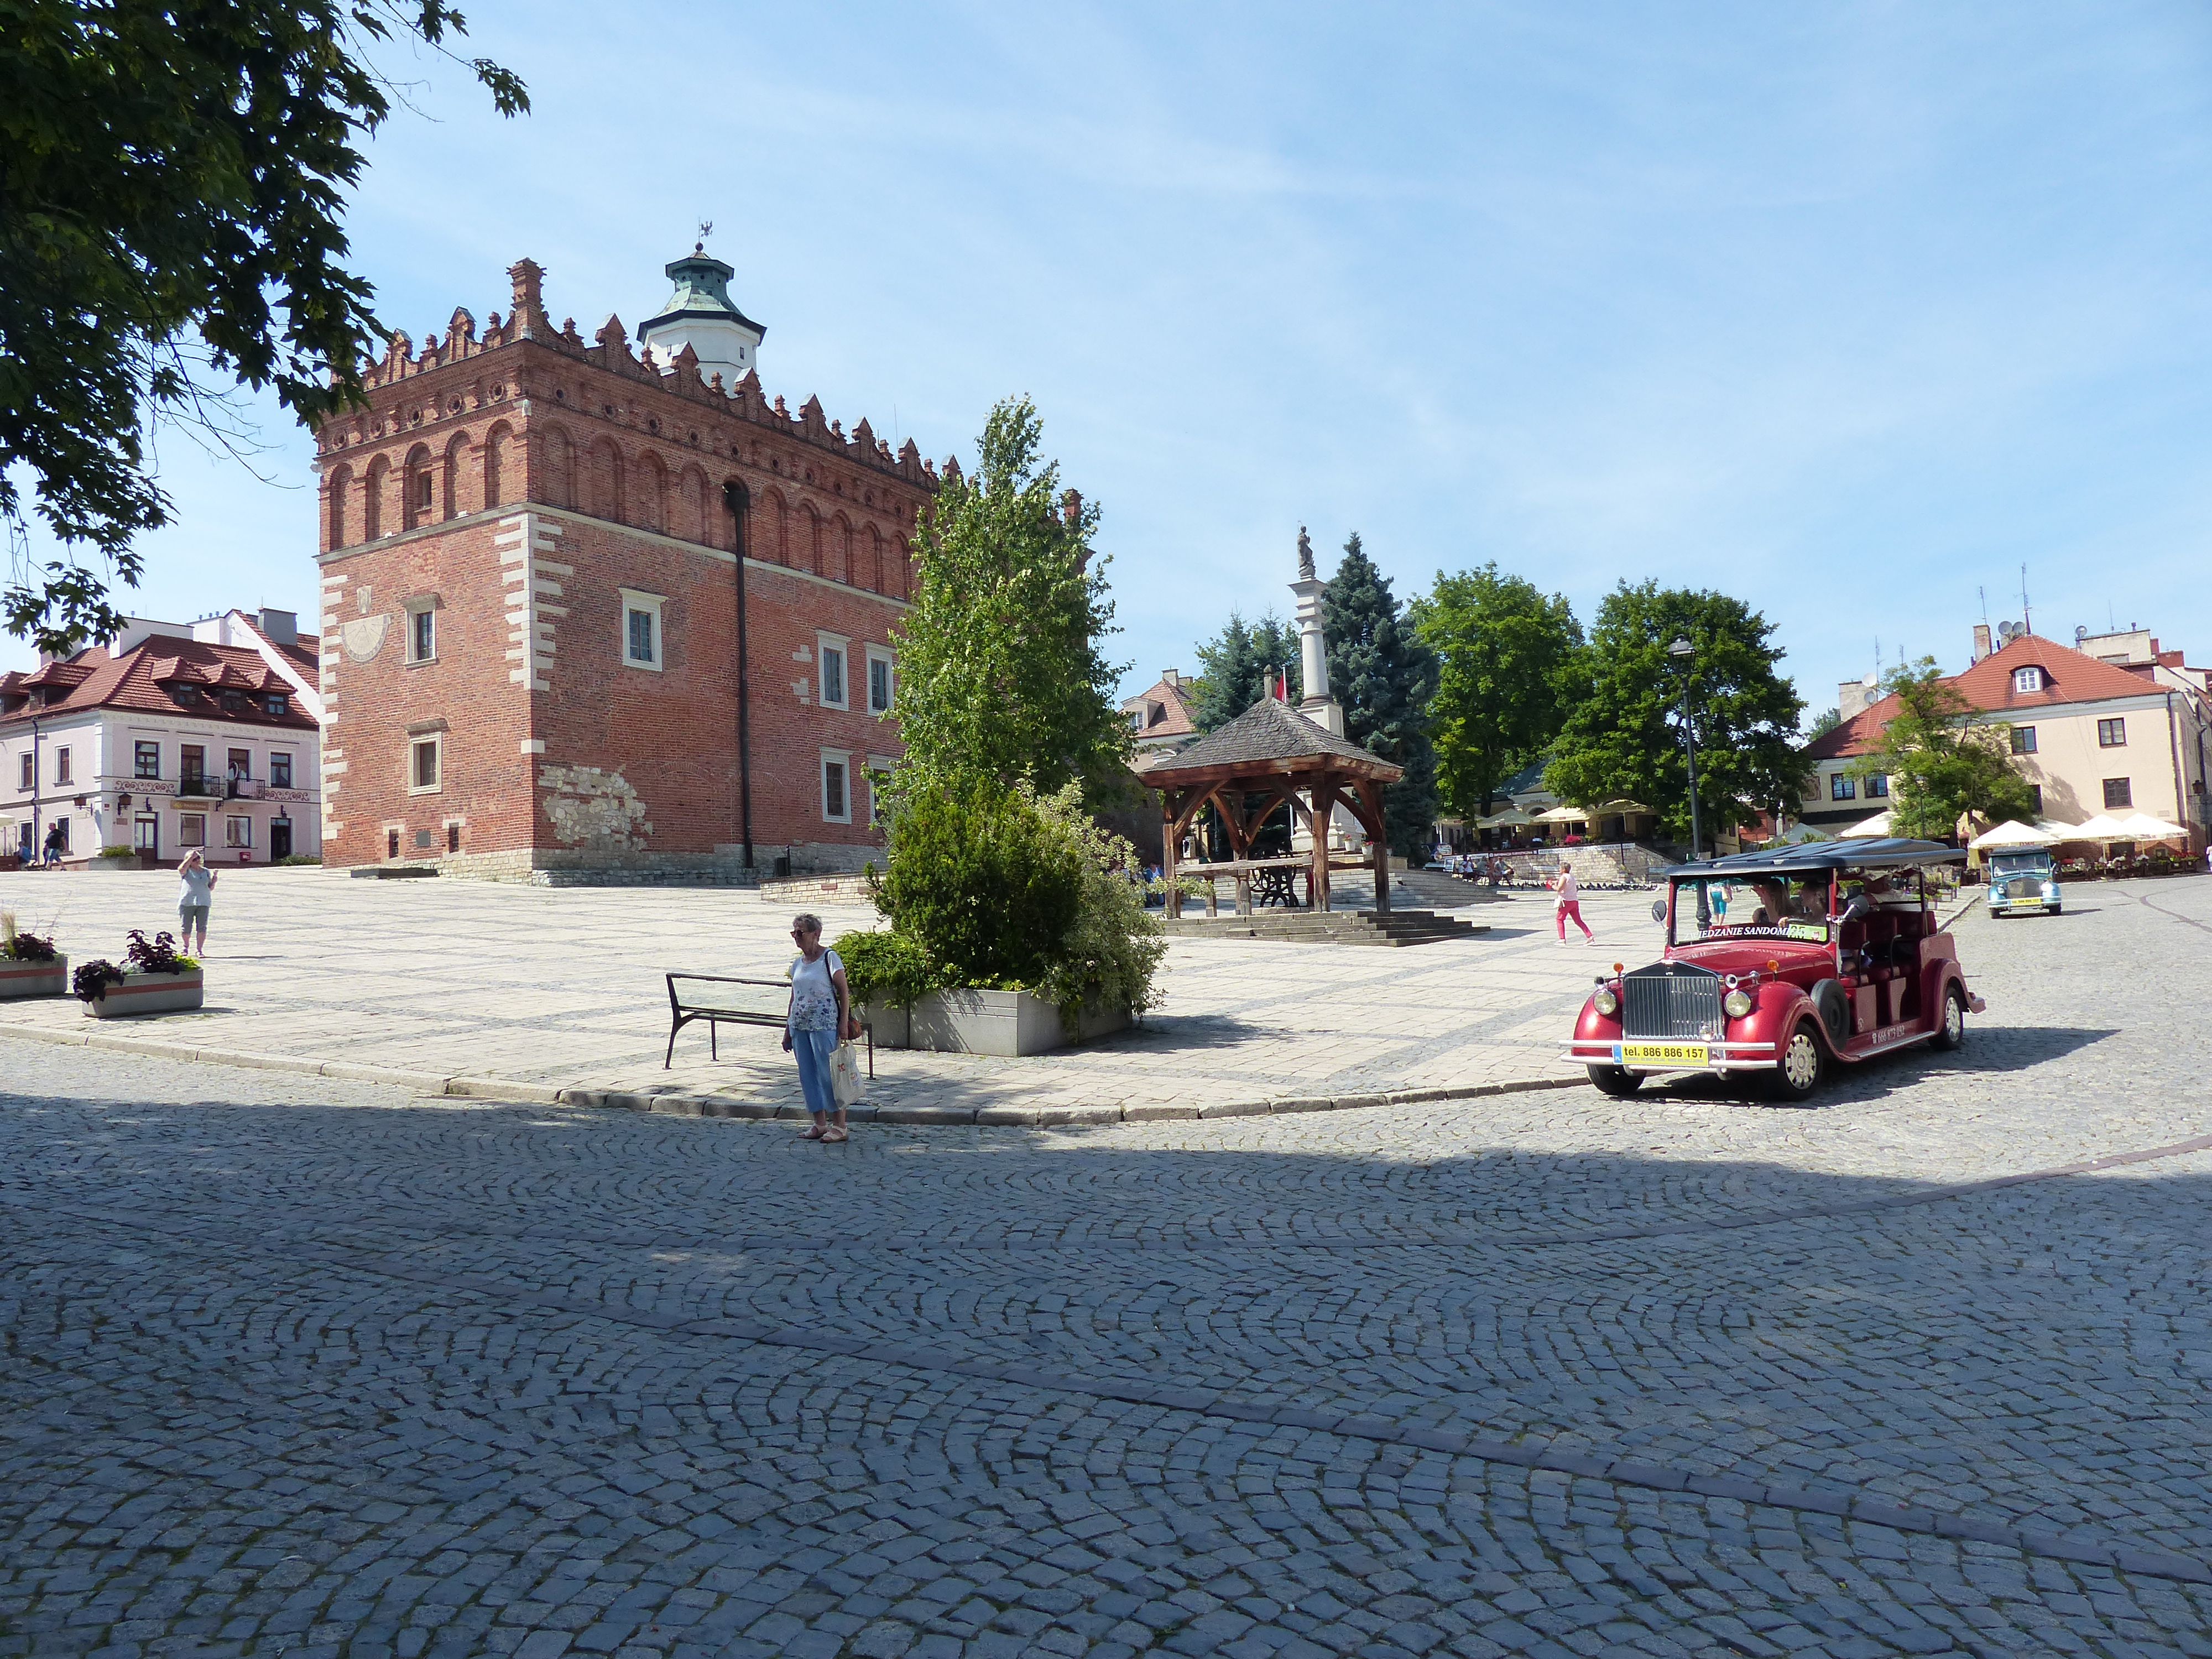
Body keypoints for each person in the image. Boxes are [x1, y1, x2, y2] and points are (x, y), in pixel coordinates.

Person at [781, 912, 858, 1142]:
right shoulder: (798, 964)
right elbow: (794, 997)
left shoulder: (830, 958)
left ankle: (840, 1126)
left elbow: (843, 991)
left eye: (801, 932)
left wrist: (843, 1023)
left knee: (830, 1075)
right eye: (794, 933)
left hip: (824, 1025)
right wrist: (787, 1030)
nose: (797, 937)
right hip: (800, 1026)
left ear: (816, 934)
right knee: (808, 1076)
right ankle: (820, 1124)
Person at [177, 848, 216, 954]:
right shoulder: (187, 871)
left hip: (204, 902)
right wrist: (191, 857)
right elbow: (181, 869)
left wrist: (214, 882)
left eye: (198, 858)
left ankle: (199, 950)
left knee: (202, 927)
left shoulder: (205, 871)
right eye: (195, 859)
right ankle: (185, 947)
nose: (197, 860)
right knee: (186, 928)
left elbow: (210, 888)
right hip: (188, 902)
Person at [1553, 861, 1594, 945]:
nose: (1559, 870)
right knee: (1578, 920)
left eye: (1560, 868)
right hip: (1574, 901)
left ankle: (1562, 939)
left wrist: (1552, 885)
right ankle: (1590, 936)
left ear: (1564, 869)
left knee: (1560, 919)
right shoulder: (1571, 877)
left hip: (1566, 901)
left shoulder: (1564, 877)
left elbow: (1559, 889)